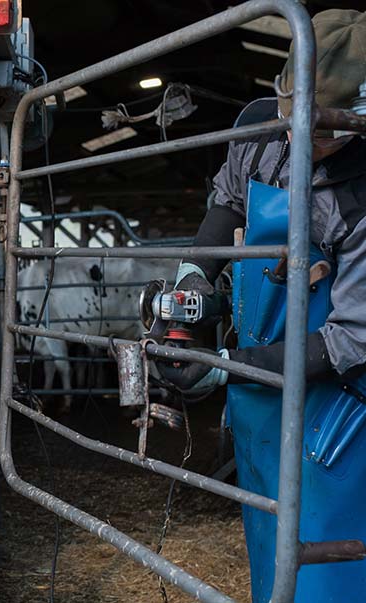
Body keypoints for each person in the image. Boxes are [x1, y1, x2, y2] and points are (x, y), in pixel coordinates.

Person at [158, 10, 366, 603]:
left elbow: (352, 340)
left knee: (324, 564)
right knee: (268, 538)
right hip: (260, 378)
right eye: (289, 115)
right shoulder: (259, 133)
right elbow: (226, 205)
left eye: (322, 131)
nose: (300, 138)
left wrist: (226, 362)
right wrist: (196, 277)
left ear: (355, 123)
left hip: (338, 407)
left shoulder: (362, 188)